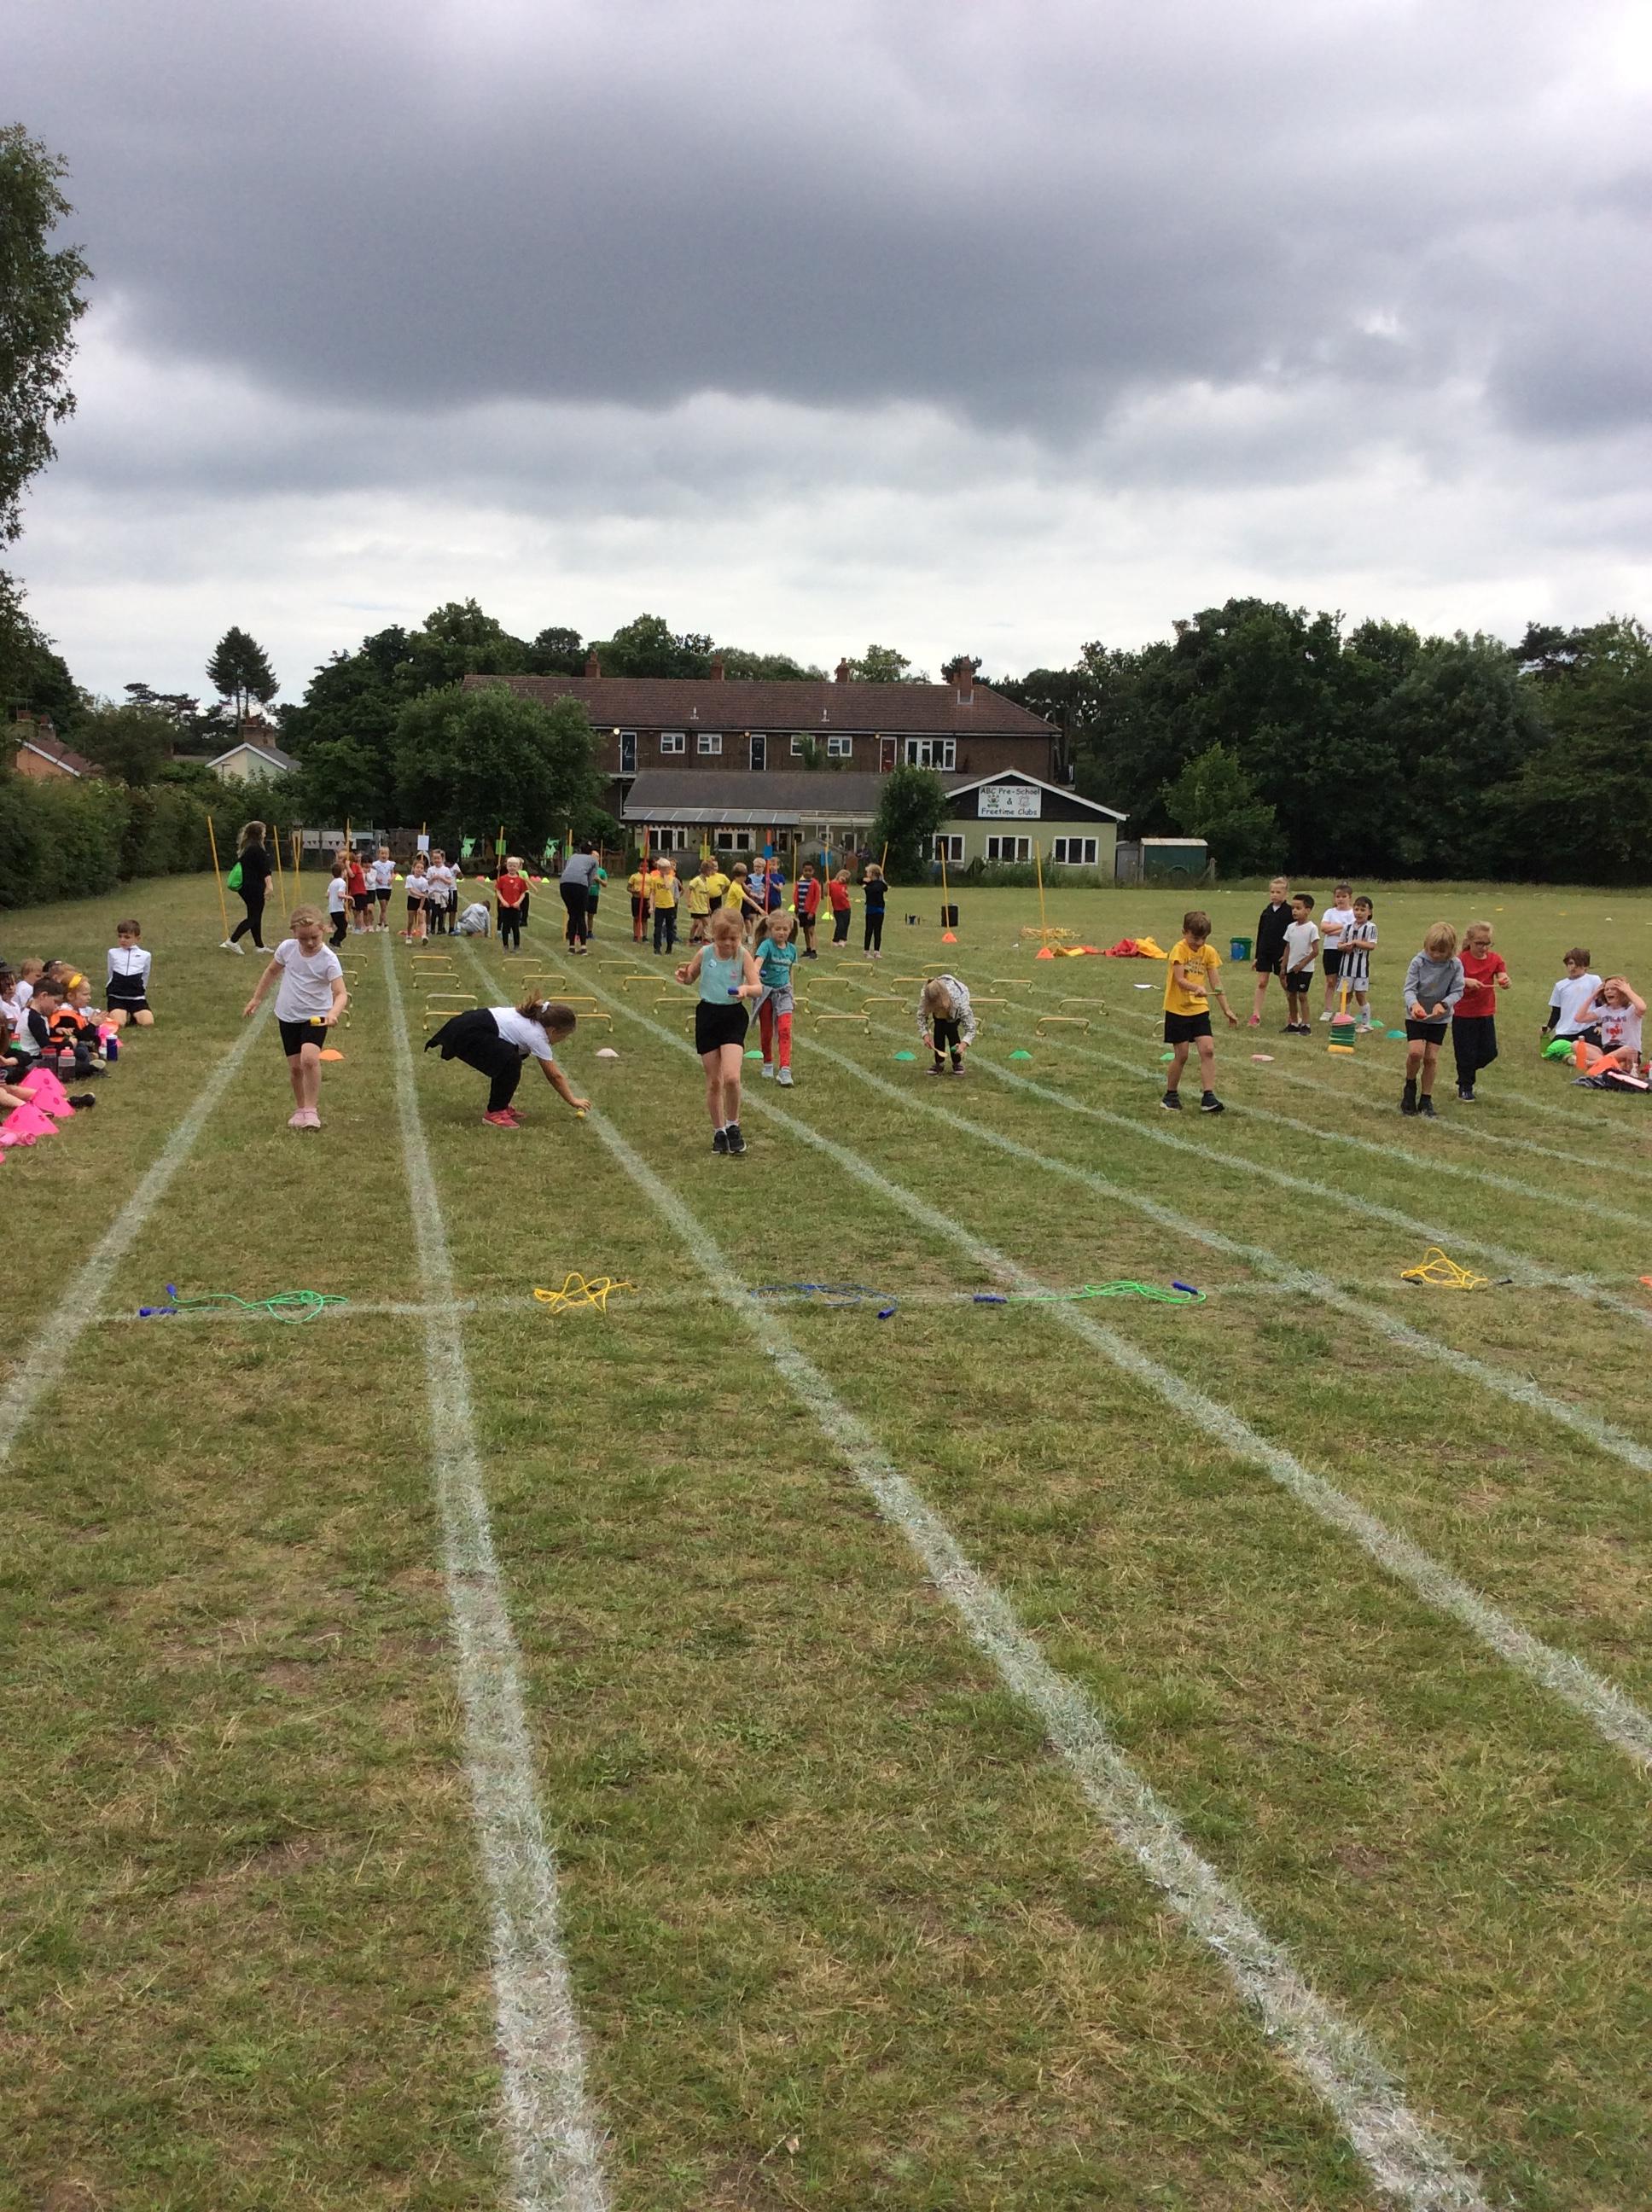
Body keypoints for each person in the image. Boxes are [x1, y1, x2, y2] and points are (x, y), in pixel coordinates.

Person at [242, 902, 349, 1131]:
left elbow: (341, 993)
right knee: (295, 1068)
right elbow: (272, 971)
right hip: (288, 1015)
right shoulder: (287, 949)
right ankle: (300, 1109)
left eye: (314, 938)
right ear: (294, 934)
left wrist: (333, 1013)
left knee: (309, 1059)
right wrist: (257, 998)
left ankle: (311, 1111)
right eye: (303, 939)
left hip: (316, 1016)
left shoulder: (329, 959)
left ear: (323, 929)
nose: (309, 943)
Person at [424, 994, 589, 1128]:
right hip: (466, 1032)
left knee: (512, 1057)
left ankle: (501, 1107)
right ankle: (495, 1113)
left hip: (467, 1028)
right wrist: (572, 1100)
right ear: (553, 1030)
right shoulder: (537, 1035)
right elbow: (554, 1076)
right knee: (510, 1060)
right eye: (563, 1036)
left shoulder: (534, 1022)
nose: (563, 1040)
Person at [676, 905, 762, 1154]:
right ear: (713, 934)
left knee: (732, 1077)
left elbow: (757, 987)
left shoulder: (742, 955)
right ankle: (719, 1131)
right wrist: (685, 976)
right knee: (714, 1081)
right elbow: (691, 977)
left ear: (740, 936)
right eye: (723, 938)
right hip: (708, 1016)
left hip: (733, 1017)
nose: (728, 944)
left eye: (733, 939)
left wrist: (745, 990)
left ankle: (734, 1125)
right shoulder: (704, 953)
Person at [1160, 908, 1236, 1113]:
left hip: (1199, 1009)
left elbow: (1216, 984)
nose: (1200, 943)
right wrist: (1196, 988)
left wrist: (1226, 1009)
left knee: (1208, 1050)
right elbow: (1180, 979)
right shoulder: (1179, 950)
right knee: (1182, 1055)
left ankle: (1208, 1096)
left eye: (1204, 938)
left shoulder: (1208, 952)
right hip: (1177, 1009)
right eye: (1195, 938)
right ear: (1184, 932)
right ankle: (1170, 1095)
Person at [1401, 923, 1464, 1118]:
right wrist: (1415, 1006)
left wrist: (1444, 1004)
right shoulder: (1418, 962)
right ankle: (1410, 1087)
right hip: (1416, 1016)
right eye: (1432, 950)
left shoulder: (1455, 965)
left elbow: (1458, 990)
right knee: (1416, 1053)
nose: (1436, 955)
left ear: (1451, 949)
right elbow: (1409, 989)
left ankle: (1426, 1098)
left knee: (1431, 1058)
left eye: (1442, 951)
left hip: (1439, 1019)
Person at [1451, 920, 1509, 1102]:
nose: (1483, 948)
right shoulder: (1460, 960)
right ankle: (1465, 1086)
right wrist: (1465, 981)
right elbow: (1450, 980)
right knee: (1465, 1052)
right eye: (1479, 944)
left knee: (1490, 1052)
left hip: (1485, 1012)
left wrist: (1505, 981)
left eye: (1487, 944)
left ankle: (1466, 1071)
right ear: (1469, 941)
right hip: (1463, 1014)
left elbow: (1502, 975)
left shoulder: (1495, 959)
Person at [755, 910, 800, 1086]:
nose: (782, 932)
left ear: (790, 930)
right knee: (767, 1032)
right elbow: (757, 963)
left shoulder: (792, 950)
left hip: (784, 993)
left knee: (785, 1029)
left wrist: (792, 994)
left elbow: (789, 972)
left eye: (785, 929)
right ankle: (768, 1063)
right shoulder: (766, 946)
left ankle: (785, 1069)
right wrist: (755, 976)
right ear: (770, 929)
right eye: (778, 929)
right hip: (766, 993)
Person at [1574, 975, 1645, 1080]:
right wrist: (1593, 996)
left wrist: (1628, 991)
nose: (1608, 991)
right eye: (1606, 989)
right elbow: (1579, 1018)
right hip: (1607, 1051)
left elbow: (1642, 1008)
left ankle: (1594, 1064)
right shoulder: (1603, 1010)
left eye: (1613, 989)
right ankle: (1608, 1064)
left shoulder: (1631, 1009)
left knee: (1628, 1050)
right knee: (1576, 1044)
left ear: (1622, 991)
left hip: (1628, 1053)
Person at [224, 819, 271, 953]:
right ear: (259, 833)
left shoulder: (247, 848)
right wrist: (269, 885)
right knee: (254, 917)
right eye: (264, 832)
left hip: (246, 887)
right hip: (254, 887)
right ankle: (233, 940)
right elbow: (265, 869)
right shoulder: (257, 849)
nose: (265, 834)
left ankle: (259, 946)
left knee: (255, 915)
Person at [1248, 876, 1291, 1026]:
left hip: (1281, 954)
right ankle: (1256, 1014)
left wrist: (1288, 955)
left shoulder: (1289, 912)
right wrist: (1257, 956)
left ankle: (1293, 1013)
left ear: (1285, 894)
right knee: (1261, 982)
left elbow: (1292, 936)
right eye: (1272, 892)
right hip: (1265, 953)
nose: (1274, 895)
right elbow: (1261, 934)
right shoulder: (1266, 912)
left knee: (1285, 982)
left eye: (1278, 892)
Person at [1542, 947, 1603, 1051]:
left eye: (1577, 964)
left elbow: (1600, 1004)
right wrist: (1548, 1028)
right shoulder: (1560, 986)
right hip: (1566, 1031)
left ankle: (1576, 1052)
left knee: (1597, 1044)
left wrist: (1600, 1025)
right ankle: (1572, 1055)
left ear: (1585, 966)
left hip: (1588, 1027)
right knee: (1553, 1049)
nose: (1573, 967)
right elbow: (1556, 1012)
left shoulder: (1594, 980)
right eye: (1570, 963)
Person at [917, 974, 975, 1075]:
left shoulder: (960, 1002)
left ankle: (957, 1062)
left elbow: (971, 1028)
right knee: (939, 1030)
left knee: (952, 1030)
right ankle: (939, 1062)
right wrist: (925, 1035)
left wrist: (963, 1044)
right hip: (944, 1004)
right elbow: (921, 1015)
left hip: (953, 1009)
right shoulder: (927, 994)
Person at [105, 918, 154, 1029]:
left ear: (137, 938)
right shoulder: (113, 953)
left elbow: (145, 975)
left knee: (148, 1023)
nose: (122, 940)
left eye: (127, 937)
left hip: (136, 997)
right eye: (120, 936)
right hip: (117, 996)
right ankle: (118, 1013)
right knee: (119, 1024)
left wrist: (141, 989)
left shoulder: (145, 955)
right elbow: (110, 971)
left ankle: (134, 1015)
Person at [1281, 894, 1319, 1033]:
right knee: (1291, 995)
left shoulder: (1312, 928)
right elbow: (1288, 947)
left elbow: (1315, 951)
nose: (1294, 911)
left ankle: (1306, 1024)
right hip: (1292, 968)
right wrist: (1284, 966)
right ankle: (1294, 1023)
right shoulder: (1291, 927)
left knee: (1302, 996)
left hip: (1305, 969)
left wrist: (1302, 964)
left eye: (1298, 908)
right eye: (1293, 908)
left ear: (1307, 910)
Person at [1340, 896, 1377, 1031]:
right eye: (1356, 909)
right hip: (1346, 968)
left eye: (1363, 910)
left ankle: (1366, 1023)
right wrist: (1345, 947)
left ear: (1369, 912)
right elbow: (1339, 944)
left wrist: (1356, 942)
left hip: (1361, 969)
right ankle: (1344, 1020)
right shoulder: (1347, 927)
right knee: (1345, 995)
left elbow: (1371, 945)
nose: (1359, 913)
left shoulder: (1371, 927)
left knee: (1360, 995)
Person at [1320, 883, 1356, 1020]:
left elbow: (1352, 930)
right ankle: (1328, 1009)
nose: (1340, 899)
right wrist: (1342, 927)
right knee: (1331, 981)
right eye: (1338, 896)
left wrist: (1334, 929)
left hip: (1345, 949)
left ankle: (1343, 1010)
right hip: (1330, 949)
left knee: (1345, 981)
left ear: (1349, 897)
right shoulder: (1330, 912)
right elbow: (1324, 928)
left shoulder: (1353, 913)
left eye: (1343, 896)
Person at [560, 841, 599, 952]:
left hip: (564, 884)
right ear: (591, 851)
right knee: (581, 915)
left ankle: (571, 946)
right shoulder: (593, 860)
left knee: (572, 914)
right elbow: (591, 878)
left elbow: (567, 869)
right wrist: (586, 890)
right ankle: (583, 946)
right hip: (580, 885)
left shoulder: (573, 857)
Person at [686, 856, 724, 945]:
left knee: (707, 923)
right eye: (711, 870)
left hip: (703, 907)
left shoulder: (706, 881)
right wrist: (689, 901)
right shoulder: (697, 880)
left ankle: (706, 939)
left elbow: (707, 895)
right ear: (706, 870)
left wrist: (708, 907)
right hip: (696, 906)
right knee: (696, 924)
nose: (712, 872)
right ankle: (691, 940)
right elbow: (689, 889)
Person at [496, 856, 529, 952]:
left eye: (514, 866)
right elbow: (498, 891)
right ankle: (505, 945)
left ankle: (516, 945)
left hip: (516, 907)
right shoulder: (502, 879)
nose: (512, 868)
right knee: (505, 927)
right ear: (507, 867)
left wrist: (518, 902)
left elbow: (523, 893)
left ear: (518, 867)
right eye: (510, 866)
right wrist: (503, 901)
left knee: (515, 927)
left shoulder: (521, 881)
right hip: (505, 907)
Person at [649, 855, 680, 954]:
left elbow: (667, 886)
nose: (667, 871)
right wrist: (651, 906)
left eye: (668, 869)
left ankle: (669, 947)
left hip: (670, 906)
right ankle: (657, 948)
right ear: (659, 869)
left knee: (670, 928)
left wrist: (666, 876)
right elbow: (652, 893)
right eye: (664, 869)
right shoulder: (655, 880)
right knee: (658, 928)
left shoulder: (671, 878)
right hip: (659, 907)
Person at [794, 864, 822, 958]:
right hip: (801, 911)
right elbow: (796, 895)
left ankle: (814, 950)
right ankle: (808, 949)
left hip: (809, 911)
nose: (808, 873)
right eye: (806, 871)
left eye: (810, 871)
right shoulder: (799, 883)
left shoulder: (814, 883)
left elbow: (816, 899)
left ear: (813, 871)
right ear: (803, 871)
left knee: (811, 931)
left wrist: (812, 912)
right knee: (805, 930)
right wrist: (797, 908)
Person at [862, 861, 887, 958]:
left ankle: (877, 951)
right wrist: (865, 881)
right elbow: (858, 880)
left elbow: (879, 889)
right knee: (868, 931)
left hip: (879, 910)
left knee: (877, 931)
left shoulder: (879, 884)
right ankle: (866, 951)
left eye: (868, 873)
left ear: (872, 874)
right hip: (870, 910)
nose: (866, 874)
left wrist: (866, 887)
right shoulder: (869, 883)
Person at [404, 853, 430, 941]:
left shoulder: (424, 881)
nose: (419, 869)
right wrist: (420, 895)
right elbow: (411, 890)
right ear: (414, 868)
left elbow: (424, 896)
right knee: (411, 921)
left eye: (421, 868)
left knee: (422, 919)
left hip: (421, 901)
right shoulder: (409, 878)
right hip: (412, 900)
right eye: (418, 867)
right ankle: (408, 935)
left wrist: (420, 907)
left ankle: (424, 936)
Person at [325, 855, 350, 948]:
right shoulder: (342, 882)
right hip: (338, 909)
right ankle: (334, 941)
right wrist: (349, 897)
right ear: (343, 872)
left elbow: (327, 895)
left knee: (341, 926)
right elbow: (340, 894)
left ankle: (336, 942)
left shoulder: (332, 882)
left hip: (332, 909)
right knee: (343, 927)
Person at [346, 847, 371, 934]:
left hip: (359, 892)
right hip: (354, 893)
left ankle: (359, 928)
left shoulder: (354, 866)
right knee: (355, 911)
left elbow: (352, 875)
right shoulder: (350, 868)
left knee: (358, 911)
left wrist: (347, 866)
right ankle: (357, 927)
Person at [371, 846, 396, 928]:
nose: (384, 855)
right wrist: (377, 879)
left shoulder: (390, 864)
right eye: (382, 853)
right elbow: (373, 874)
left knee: (384, 908)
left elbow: (393, 873)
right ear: (379, 854)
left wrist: (391, 879)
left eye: (386, 854)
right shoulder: (375, 864)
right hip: (380, 887)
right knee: (383, 907)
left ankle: (379, 924)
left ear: (388, 855)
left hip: (388, 888)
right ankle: (386, 924)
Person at [827, 868, 852, 946]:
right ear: (839, 875)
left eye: (846, 878)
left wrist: (846, 893)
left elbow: (845, 894)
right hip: (837, 909)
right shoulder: (831, 884)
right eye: (843, 876)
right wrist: (826, 885)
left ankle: (843, 939)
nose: (844, 879)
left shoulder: (844, 886)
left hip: (846, 908)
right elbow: (826, 893)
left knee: (846, 924)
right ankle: (836, 939)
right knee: (840, 925)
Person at [629, 859, 649, 940]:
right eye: (642, 866)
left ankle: (645, 936)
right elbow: (629, 888)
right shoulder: (634, 876)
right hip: (636, 899)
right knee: (636, 918)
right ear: (638, 867)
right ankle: (636, 935)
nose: (644, 868)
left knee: (645, 918)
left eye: (646, 866)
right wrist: (634, 891)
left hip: (646, 899)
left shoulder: (650, 877)